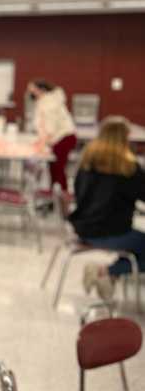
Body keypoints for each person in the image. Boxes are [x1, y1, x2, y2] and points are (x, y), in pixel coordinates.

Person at [70, 116, 145, 305]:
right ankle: (105, 271)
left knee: (138, 246)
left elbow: (78, 193)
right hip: (111, 232)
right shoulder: (128, 168)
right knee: (141, 245)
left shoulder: (86, 161)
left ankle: (109, 279)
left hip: (82, 228)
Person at [27, 78, 77, 191]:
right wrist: (40, 141)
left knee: (57, 169)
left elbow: (50, 129)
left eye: (33, 90)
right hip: (60, 138)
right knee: (55, 169)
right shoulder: (44, 101)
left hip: (64, 138)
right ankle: (56, 196)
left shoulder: (50, 103)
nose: (30, 93)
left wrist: (41, 144)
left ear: (42, 90)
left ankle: (59, 198)